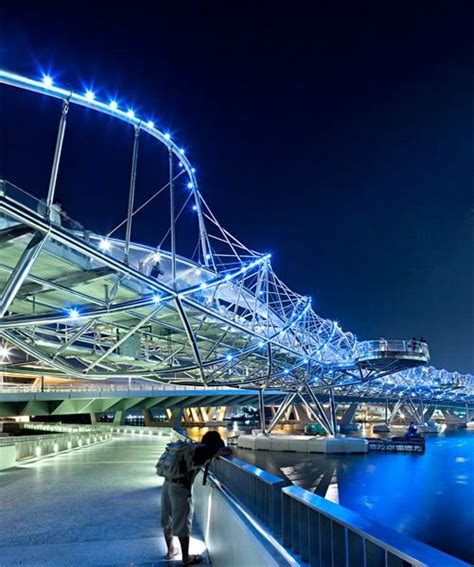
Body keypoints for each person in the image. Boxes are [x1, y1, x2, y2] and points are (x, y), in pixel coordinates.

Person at [161, 431, 232, 565]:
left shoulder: (194, 446)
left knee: (167, 520)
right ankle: (186, 558)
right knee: (183, 523)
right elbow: (226, 451)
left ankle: (170, 550)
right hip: (180, 487)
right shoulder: (207, 450)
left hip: (167, 483)